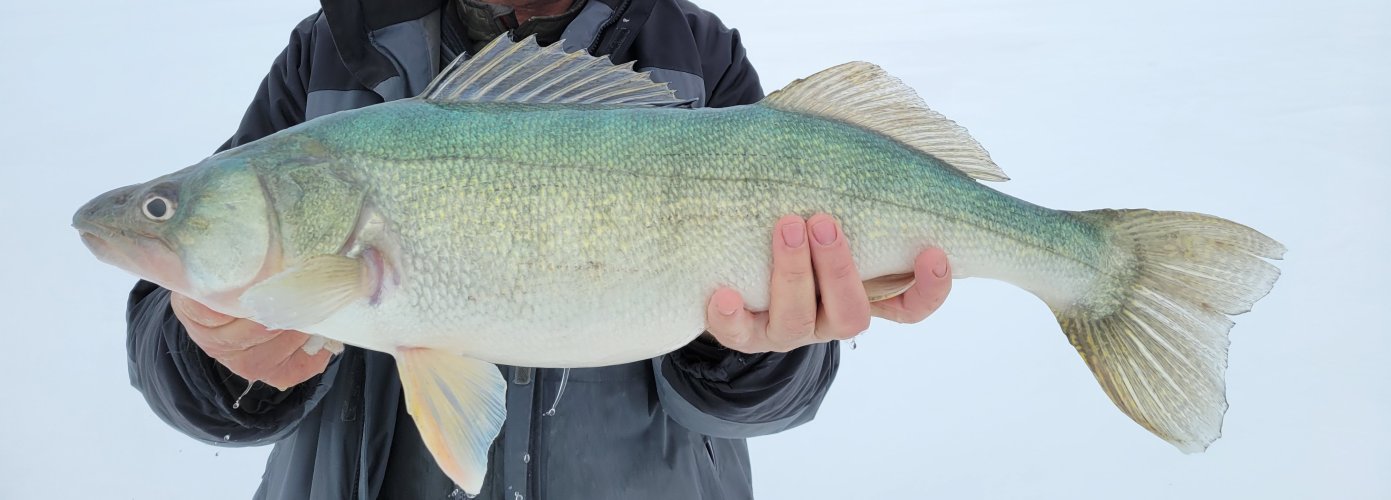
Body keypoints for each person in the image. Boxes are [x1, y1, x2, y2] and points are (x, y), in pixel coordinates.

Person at [125, 0, 954, 498]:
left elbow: (771, 400)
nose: (160, 219)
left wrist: (759, 354)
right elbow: (174, 365)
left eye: (166, 207)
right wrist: (215, 356)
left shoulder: (695, 57)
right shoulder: (330, 53)